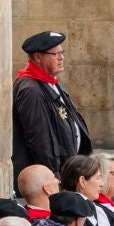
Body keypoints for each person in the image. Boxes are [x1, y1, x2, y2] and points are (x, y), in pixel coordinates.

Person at [12, 30, 92, 177]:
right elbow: (39, 139)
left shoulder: (48, 81)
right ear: (38, 57)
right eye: (56, 54)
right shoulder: (31, 90)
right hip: (47, 177)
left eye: (62, 53)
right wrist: (54, 175)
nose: (62, 58)